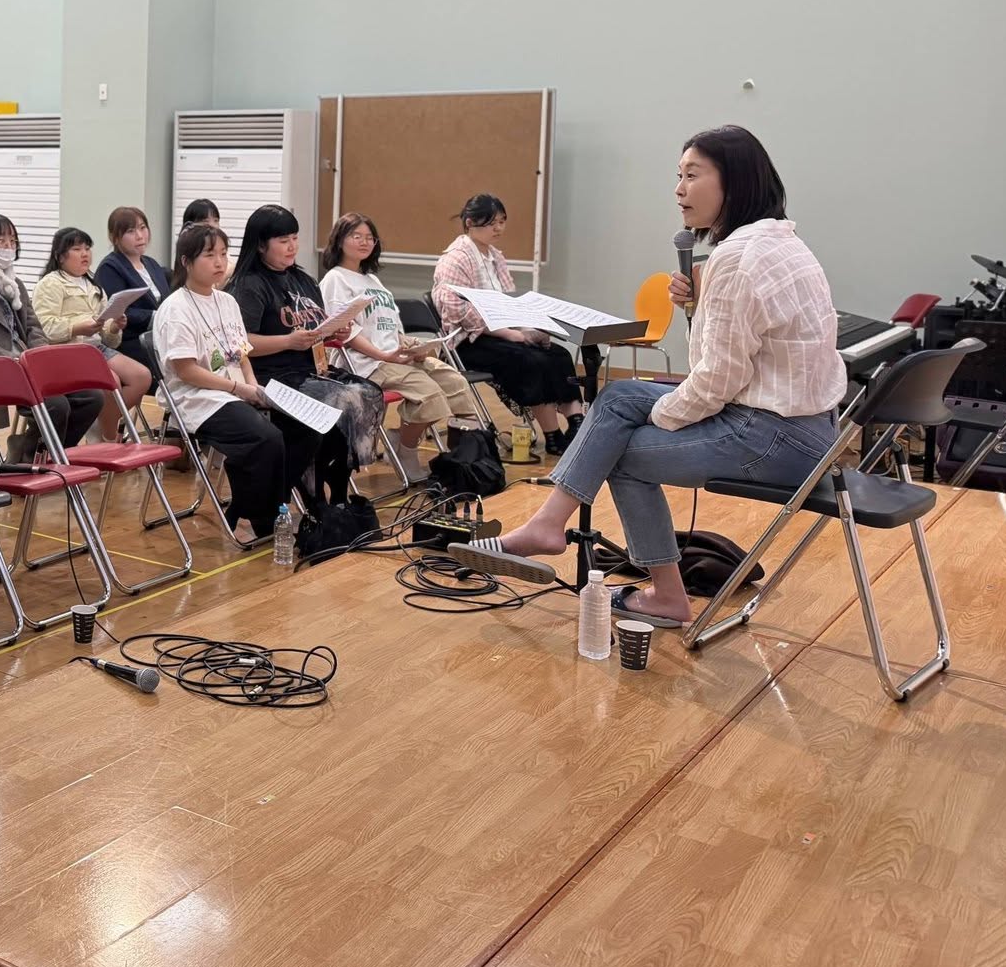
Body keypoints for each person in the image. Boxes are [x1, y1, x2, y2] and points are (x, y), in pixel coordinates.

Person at [454, 127, 846, 629]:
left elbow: (716, 379)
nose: (679, 190)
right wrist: (699, 308)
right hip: (812, 430)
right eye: (677, 176)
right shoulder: (781, 242)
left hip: (772, 437)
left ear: (735, 181)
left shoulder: (737, 258)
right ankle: (549, 525)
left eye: (692, 175)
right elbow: (736, 361)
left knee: (620, 450)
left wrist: (661, 416)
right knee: (618, 397)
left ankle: (661, 593)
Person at [227, 204, 377, 511]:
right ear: (261, 245)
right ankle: (312, 482)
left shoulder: (304, 281)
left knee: (368, 393)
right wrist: (288, 341)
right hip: (272, 374)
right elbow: (241, 343)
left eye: (295, 238)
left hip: (310, 369)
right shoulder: (249, 285)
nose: (292, 246)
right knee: (342, 400)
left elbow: (316, 330)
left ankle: (336, 477)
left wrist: (334, 332)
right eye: (283, 241)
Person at [153, 223, 293, 545]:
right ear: (186, 261)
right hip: (197, 397)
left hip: (236, 390)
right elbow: (186, 371)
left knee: (300, 429)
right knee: (265, 437)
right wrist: (238, 390)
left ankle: (260, 506)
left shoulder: (227, 301)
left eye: (223, 254)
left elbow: (241, 354)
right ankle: (261, 519)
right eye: (209, 255)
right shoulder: (176, 309)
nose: (219, 262)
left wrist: (255, 388)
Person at [322, 213, 487, 479]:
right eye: (356, 236)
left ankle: (405, 438)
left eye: (370, 238)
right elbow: (346, 334)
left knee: (455, 383)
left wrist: (414, 348)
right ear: (340, 240)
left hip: (394, 356)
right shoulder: (335, 279)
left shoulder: (372, 280)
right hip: (368, 363)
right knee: (430, 395)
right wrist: (385, 355)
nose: (365, 242)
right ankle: (406, 452)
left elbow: (390, 327)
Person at [432, 193, 585, 454]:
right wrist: (506, 333)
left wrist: (529, 330)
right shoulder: (455, 258)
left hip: (501, 335)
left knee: (557, 354)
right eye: (491, 223)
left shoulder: (495, 257)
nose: (498, 228)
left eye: (502, 222)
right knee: (530, 360)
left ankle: (576, 425)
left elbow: (510, 301)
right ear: (470, 222)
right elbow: (457, 310)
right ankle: (552, 434)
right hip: (470, 341)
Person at [0, 214, 102, 463]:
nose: (8, 247)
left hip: (27, 365)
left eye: (12, 241)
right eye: (1, 241)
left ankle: (44, 454)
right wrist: (16, 361)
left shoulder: (13, 282)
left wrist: (37, 356)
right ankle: (30, 459)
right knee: (56, 405)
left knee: (91, 398)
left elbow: (33, 326)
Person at [31, 226, 153, 420]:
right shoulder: (50, 283)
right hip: (67, 351)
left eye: (87, 248)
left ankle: (102, 423)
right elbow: (44, 328)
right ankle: (107, 432)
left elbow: (110, 340)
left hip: (96, 348)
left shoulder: (93, 285)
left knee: (142, 376)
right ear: (60, 256)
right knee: (111, 381)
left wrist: (114, 327)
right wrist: (78, 328)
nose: (85, 254)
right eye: (77, 249)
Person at [95, 206, 170, 383]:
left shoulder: (151, 264)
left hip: (161, 336)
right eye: (130, 231)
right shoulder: (110, 267)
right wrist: (156, 316)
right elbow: (116, 311)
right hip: (131, 341)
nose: (140, 235)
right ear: (115, 237)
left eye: (143, 228)